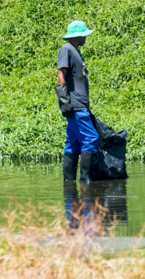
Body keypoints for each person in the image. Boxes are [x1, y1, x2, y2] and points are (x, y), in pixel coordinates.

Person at [57, 20, 100, 183]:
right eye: (85, 35)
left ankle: (69, 185)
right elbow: (61, 74)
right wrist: (65, 100)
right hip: (75, 105)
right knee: (91, 138)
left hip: (80, 105)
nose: (86, 38)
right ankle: (85, 181)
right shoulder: (66, 49)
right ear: (79, 35)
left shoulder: (75, 51)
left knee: (73, 143)